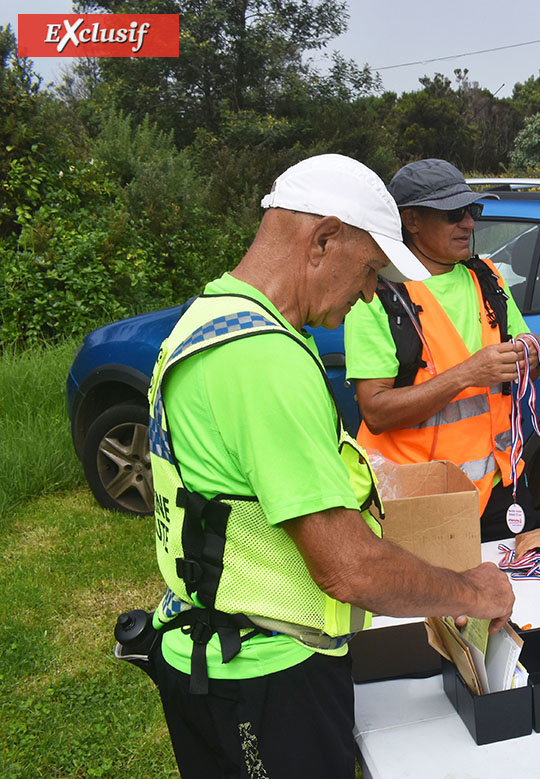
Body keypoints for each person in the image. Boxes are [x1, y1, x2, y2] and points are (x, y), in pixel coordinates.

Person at [144, 154, 515, 778]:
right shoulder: (264, 361)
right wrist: (470, 592)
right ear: (322, 241)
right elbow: (348, 568)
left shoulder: (211, 319)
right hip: (264, 675)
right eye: (370, 269)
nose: (372, 291)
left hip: (209, 647)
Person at [344, 159, 540, 542]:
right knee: (432, 603)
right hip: (418, 497)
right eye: (454, 214)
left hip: (502, 488)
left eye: (472, 211)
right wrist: (467, 375)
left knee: (513, 599)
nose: (469, 223)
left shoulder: (485, 275)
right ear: (412, 221)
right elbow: (375, 412)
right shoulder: (378, 294)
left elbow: (526, 352)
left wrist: (536, 351)